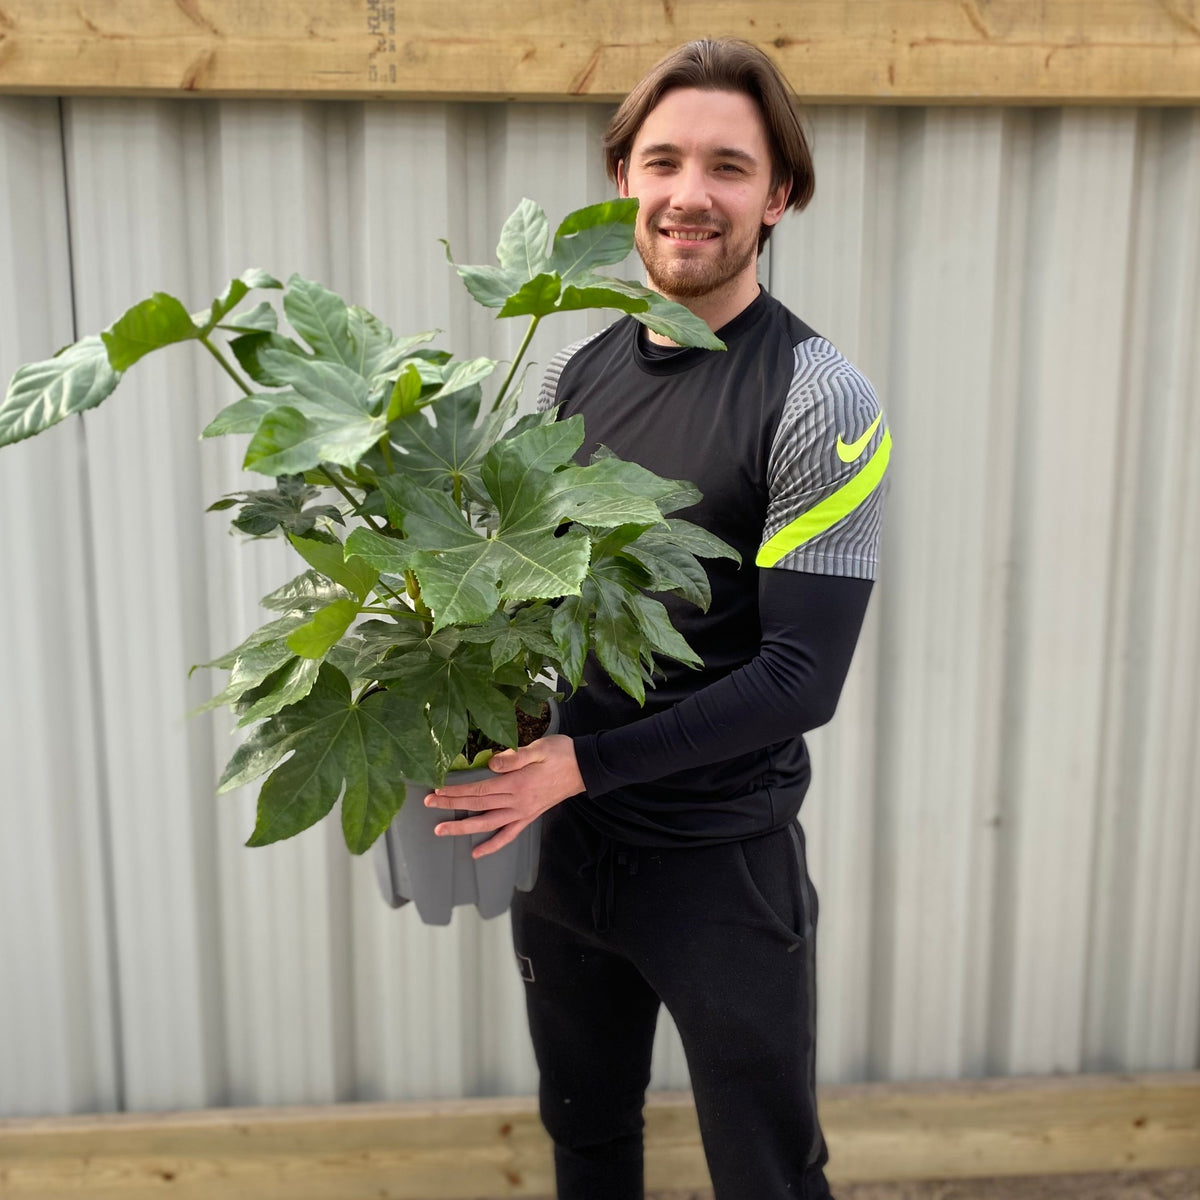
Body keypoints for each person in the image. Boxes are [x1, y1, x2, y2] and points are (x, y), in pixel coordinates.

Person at [424, 37, 891, 1200]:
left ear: (778, 195)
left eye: (730, 167)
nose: (692, 195)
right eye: (664, 160)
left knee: (768, 1172)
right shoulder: (566, 374)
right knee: (586, 1138)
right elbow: (524, 610)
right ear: (623, 177)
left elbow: (802, 677)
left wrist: (582, 765)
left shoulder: (818, 397)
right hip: (565, 856)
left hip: (717, 865)